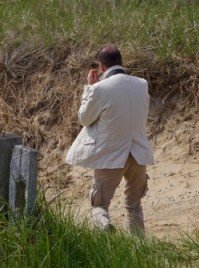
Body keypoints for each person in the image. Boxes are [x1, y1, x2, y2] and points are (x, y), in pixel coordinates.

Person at [65, 44, 154, 236]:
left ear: (101, 67)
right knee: (134, 204)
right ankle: (139, 248)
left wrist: (89, 87)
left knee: (99, 205)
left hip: (111, 155)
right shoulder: (141, 84)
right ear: (121, 62)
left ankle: (106, 234)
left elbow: (84, 118)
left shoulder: (99, 89)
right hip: (138, 154)